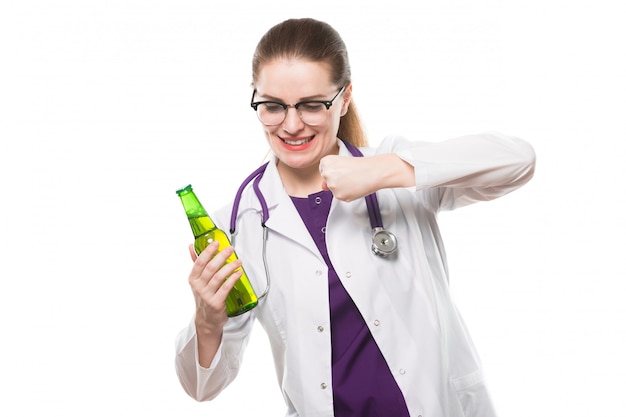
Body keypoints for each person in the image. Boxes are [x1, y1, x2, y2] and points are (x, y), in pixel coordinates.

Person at [174, 17, 535, 417]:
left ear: (344, 98)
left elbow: (519, 161)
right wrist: (207, 321)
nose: (291, 125)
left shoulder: (395, 173)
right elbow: (202, 387)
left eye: (312, 105)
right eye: (273, 106)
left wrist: (389, 170)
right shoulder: (239, 223)